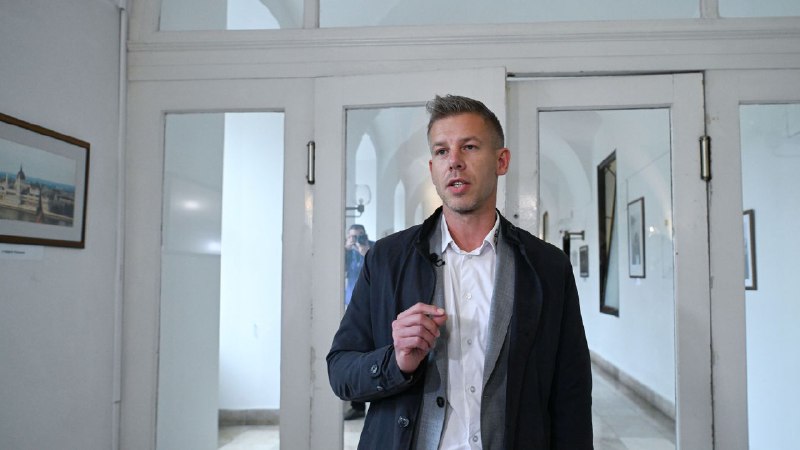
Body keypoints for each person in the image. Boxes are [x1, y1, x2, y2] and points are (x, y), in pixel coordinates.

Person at [327, 95, 592, 449]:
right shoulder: (386, 260)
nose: (454, 161)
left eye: (469, 147)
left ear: (501, 161)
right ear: (432, 169)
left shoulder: (548, 267)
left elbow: (571, 393)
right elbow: (341, 371)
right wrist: (397, 361)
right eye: (441, 151)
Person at [343, 224, 374, 420]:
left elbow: (383, 272)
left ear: (366, 235)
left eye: (360, 236)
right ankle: (358, 406)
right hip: (352, 306)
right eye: (353, 237)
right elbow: (338, 271)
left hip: (374, 305)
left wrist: (365, 253)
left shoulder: (374, 248)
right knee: (356, 355)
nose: (357, 240)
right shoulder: (344, 252)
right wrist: (346, 250)